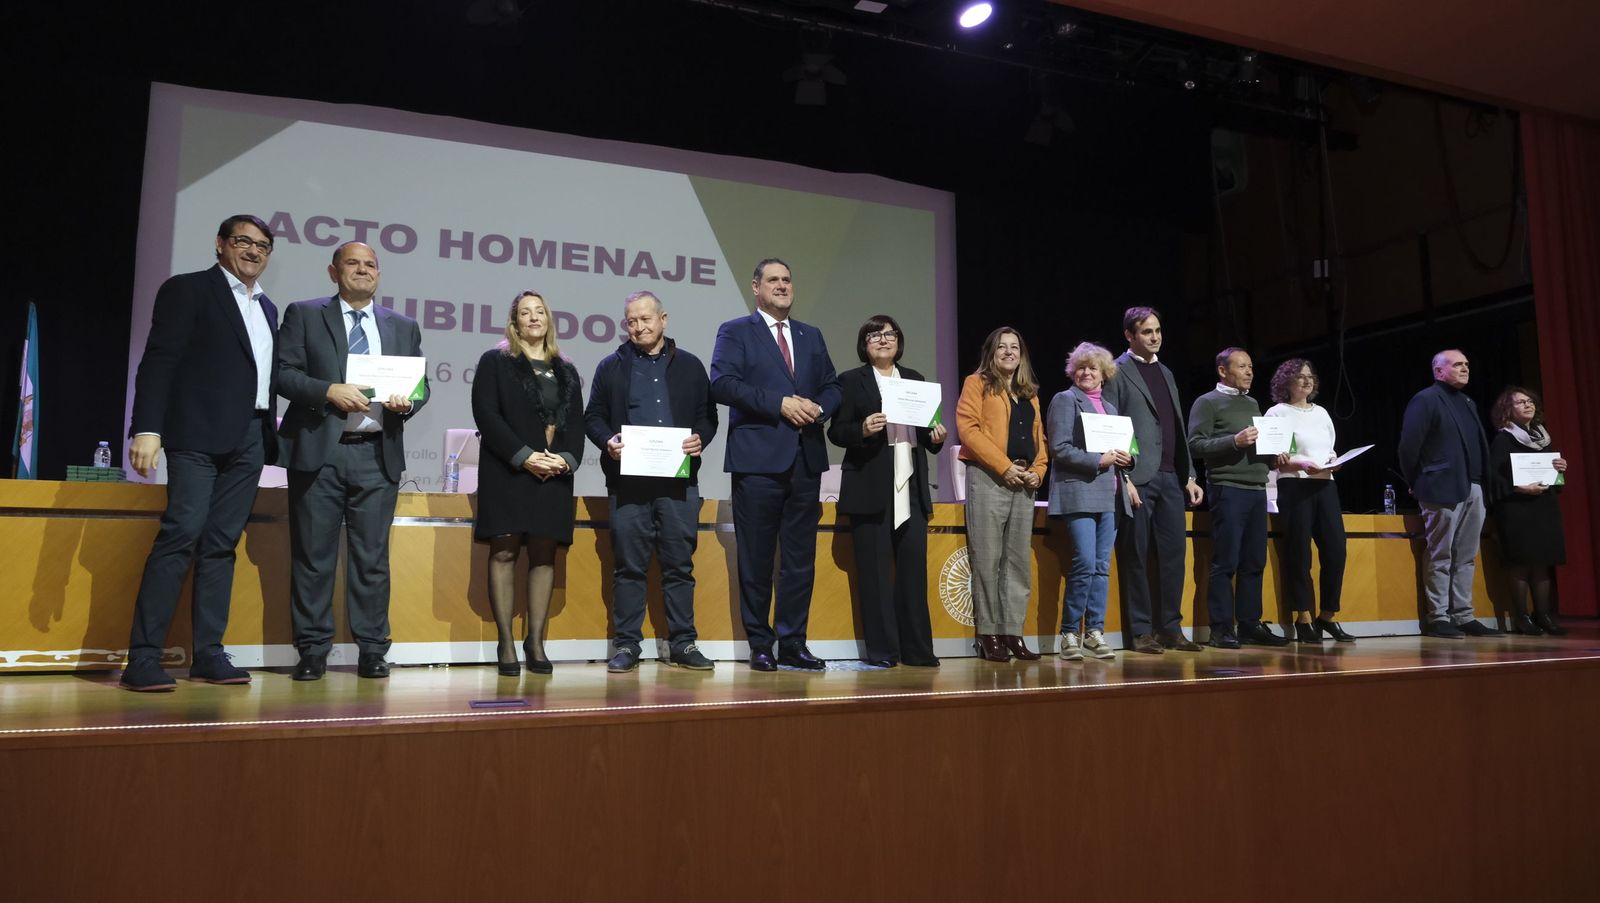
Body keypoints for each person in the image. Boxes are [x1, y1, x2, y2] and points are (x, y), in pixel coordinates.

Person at [119, 214, 280, 691]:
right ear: (220, 244)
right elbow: (159, 360)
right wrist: (147, 428)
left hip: (250, 438)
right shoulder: (187, 289)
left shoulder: (268, 307)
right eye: (243, 242)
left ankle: (209, 653)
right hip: (195, 436)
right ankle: (143, 658)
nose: (253, 252)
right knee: (181, 535)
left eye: (263, 246)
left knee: (221, 546)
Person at [277, 241, 429, 680]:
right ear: (333, 272)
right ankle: (311, 650)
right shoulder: (304, 314)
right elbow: (284, 373)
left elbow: (420, 387)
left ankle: (372, 649)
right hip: (318, 454)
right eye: (352, 264)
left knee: (371, 559)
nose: (363, 271)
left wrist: (407, 403)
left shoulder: (402, 325)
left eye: (370, 265)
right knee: (312, 556)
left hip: (376, 454)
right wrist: (328, 390)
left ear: (378, 274)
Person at [710, 258, 841, 671]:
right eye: (773, 280)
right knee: (757, 557)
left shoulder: (810, 335)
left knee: (800, 559)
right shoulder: (735, 331)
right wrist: (779, 404)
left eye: (787, 279)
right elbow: (722, 384)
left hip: (805, 460)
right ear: (756, 287)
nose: (782, 285)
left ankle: (793, 643)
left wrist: (818, 409)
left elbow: (832, 386)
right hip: (758, 462)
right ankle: (760, 644)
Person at [584, 290, 717, 673]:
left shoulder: (690, 366)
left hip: (678, 484)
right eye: (631, 321)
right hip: (629, 485)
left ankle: (684, 643)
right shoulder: (611, 366)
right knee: (629, 567)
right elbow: (593, 416)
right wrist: (608, 441)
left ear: (663, 320)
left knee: (679, 566)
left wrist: (700, 439)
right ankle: (627, 645)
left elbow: (708, 416)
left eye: (645, 319)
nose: (639, 327)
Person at [473, 291, 586, 675]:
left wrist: (565, 460)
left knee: (544, 554)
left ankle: (535, 641)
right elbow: (487, 415)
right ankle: (506, 643)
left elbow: (577, 425)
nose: (534, 317)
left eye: (540, 311)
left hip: (553, 475)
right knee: (504, 551)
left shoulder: (566, 368)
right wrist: (524, 457)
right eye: (525, 312)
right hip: (507, 472)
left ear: (549, 319)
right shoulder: (496, 362)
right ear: (514, 321)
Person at [826, 314, 946, 668]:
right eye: (874, 335)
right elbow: (836, 432)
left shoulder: (916, 381)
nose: (882, 339)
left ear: (899, 341)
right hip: (870, 484)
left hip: (910, 483)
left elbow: (928, 436)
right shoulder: (851, 381)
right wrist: (861, 429)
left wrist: (937, 436)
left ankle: (918, 650)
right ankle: (883, 652)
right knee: (875, 575)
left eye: (889, 334)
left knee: (912, 572)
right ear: (864, 344)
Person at [1101, 307, 1204, 655]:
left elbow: (1175, 424)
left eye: (1158, 330)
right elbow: (1110, 426)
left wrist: (1188, 474)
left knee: (1174, 554)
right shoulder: (1116, 372)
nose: (1155, 337)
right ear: (1130, 336)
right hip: (1138, 477)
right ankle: (1141, 630)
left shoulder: (1167, 372)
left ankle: (1171, 628)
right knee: (1136, 554)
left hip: (1170, 477)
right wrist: (1124, 476)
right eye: (1147, 332)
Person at [1187, 347, 1290, 648]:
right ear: (1223, 371)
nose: (1249, 372)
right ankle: (1220, 628)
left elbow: (1258, 448)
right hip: (1228, 488)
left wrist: (1274, 457)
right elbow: (1195, 445)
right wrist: (1234, 440)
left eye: (1251, 367)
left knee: (1254, 561)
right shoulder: (1207, 403)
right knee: (1226, 560)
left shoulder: (1253, 403)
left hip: (1257, 489)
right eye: (1242, 366)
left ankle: (1249, 623)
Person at [957, 327, 1048, 663]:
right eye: (1002, 347)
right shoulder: (977, 383)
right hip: (990, 478)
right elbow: (968, 429)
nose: (1009, 352)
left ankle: (1013, 633)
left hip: (1024, 482)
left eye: (1015, 347)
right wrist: (1004, 466)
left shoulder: (1030, 393)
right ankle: (989, 634)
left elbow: (1042, 441)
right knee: (988, 560)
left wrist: (1038, 471)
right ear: (991, 353)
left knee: (1017, 563)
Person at [1397, 350, 1502, 639]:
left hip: (1473, 486)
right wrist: (1415, 481)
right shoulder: (1426, 399)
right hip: (1440, 487)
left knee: (1467, 555)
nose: (1465, 368)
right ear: (1438, 371)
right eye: (1457, 364)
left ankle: (1463, 615)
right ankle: (1438, 617)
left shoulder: (1467, 401)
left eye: (1467, 364)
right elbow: (1408, 447)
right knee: (1441, 554)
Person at [1046, 342, 1131, 662]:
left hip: (1109, 495)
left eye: (1093, 368)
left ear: (1104, 373)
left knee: (1101, 567)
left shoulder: (1110, 409)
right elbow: (1060, 448)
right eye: (1081, 367)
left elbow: (1126, 451)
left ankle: (1094, 631)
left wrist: (1125, 460)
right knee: (1083, 563)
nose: (1086, 372)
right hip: (1078, 492)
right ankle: (1070, 632)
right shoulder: (1065, 400)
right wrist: (1100, 460)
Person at [1264, 359, 1355, 643]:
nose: (1306, 381)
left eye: (1310, 377)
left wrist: (1333, 461)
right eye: (1299, 377)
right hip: (1294, 487)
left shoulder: (1322, 413)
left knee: (1336, 550)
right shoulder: (1276, 413)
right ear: (1285, 382)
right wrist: (1302, 463)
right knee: (1298, 553)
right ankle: (1303, 617)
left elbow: (1328, 449)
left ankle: (1327, 616)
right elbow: (1274, 457)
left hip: (1325, 486)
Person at [1486, 386, 1569, 636]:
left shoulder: (1543, 437)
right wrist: (1519, 488)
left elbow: (1553, 475)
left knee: (1542, 563)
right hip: (1516, 508)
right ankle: (1522, 618)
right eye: (1521, 402)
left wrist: (1559, 469)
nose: (1528, 405)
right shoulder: (1503, 439)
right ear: (1507, 410)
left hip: (1543, 507)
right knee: (1520, 564)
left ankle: (1543, 615)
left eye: (1530, 401)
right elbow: (1492, 478)